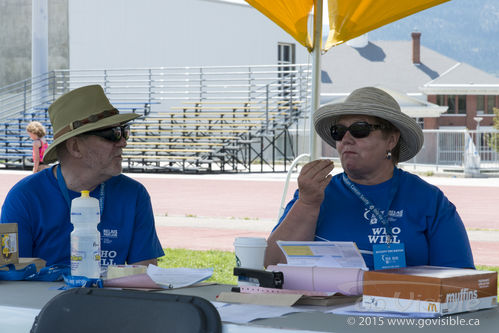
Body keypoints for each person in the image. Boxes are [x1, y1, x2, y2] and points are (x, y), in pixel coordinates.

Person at [265, 87, 474, 270]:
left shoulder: (430, 201)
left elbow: (459, 278)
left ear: (391, 140)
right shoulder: (315, 193)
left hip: (405, 312)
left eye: (359, 129)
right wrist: (308, 204)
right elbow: (272, 264)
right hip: (324, 312)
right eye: (338, 131)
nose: (346, 139)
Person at [1, 85, 164, 268]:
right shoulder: (24, 198)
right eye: (113, 134)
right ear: (75, 147)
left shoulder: (134, 195)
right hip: (42, 298)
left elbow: (145, 276)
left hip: (108, 298)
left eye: (124, 131)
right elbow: (11, 275)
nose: (123, 142)